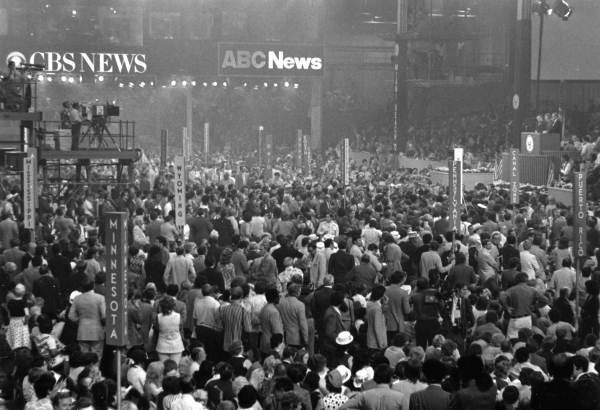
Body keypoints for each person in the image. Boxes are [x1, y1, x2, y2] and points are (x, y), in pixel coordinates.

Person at [68, 279, 105, 361]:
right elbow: (104, 316)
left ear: (81, 288)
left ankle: (86, 373)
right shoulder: (100, 298)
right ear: (93, 286)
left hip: (82, 332)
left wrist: (80, 321)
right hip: (97, 331)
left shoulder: (77, 299)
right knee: (96, 357)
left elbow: (71, 316)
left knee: (84, 358)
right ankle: (95, 373)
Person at [340, 364, 404, 410]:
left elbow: (342, 408)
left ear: (375, 378)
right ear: (390, 379)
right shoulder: (400, 397)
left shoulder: (364, 395)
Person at [155, 297, 185, 364]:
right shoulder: (178, 316)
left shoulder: (158, 317)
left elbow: (157, 329)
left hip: (162, 345)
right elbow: (180, 328)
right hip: (177, 345)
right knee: (175, 367)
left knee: (163, 369)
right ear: (173, 306)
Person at [366, 285, 387, 351]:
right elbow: (377, 327)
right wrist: (381, 344)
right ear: (382, 294)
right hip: (376, 342)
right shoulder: (376, 308)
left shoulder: (369, 303)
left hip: (371, 338)